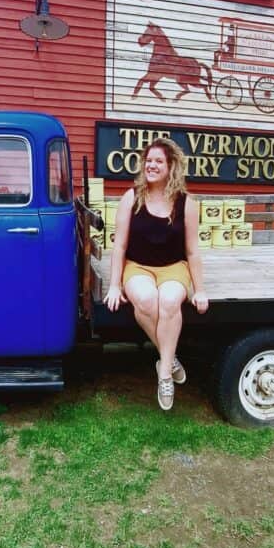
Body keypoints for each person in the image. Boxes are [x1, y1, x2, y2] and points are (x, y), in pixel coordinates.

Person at [103, 138, 208, 411]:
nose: (152, 165)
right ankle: (169, 358)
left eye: (158, 161)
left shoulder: (187, 204)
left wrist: (200, 290)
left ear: (171, 165)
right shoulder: (132, 197)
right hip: (138, 267)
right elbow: (120, 245)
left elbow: (193, 251)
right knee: (147, 301)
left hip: (174, 267)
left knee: (170, 301)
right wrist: (114, 285)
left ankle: (164, 374)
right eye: (148, 161)